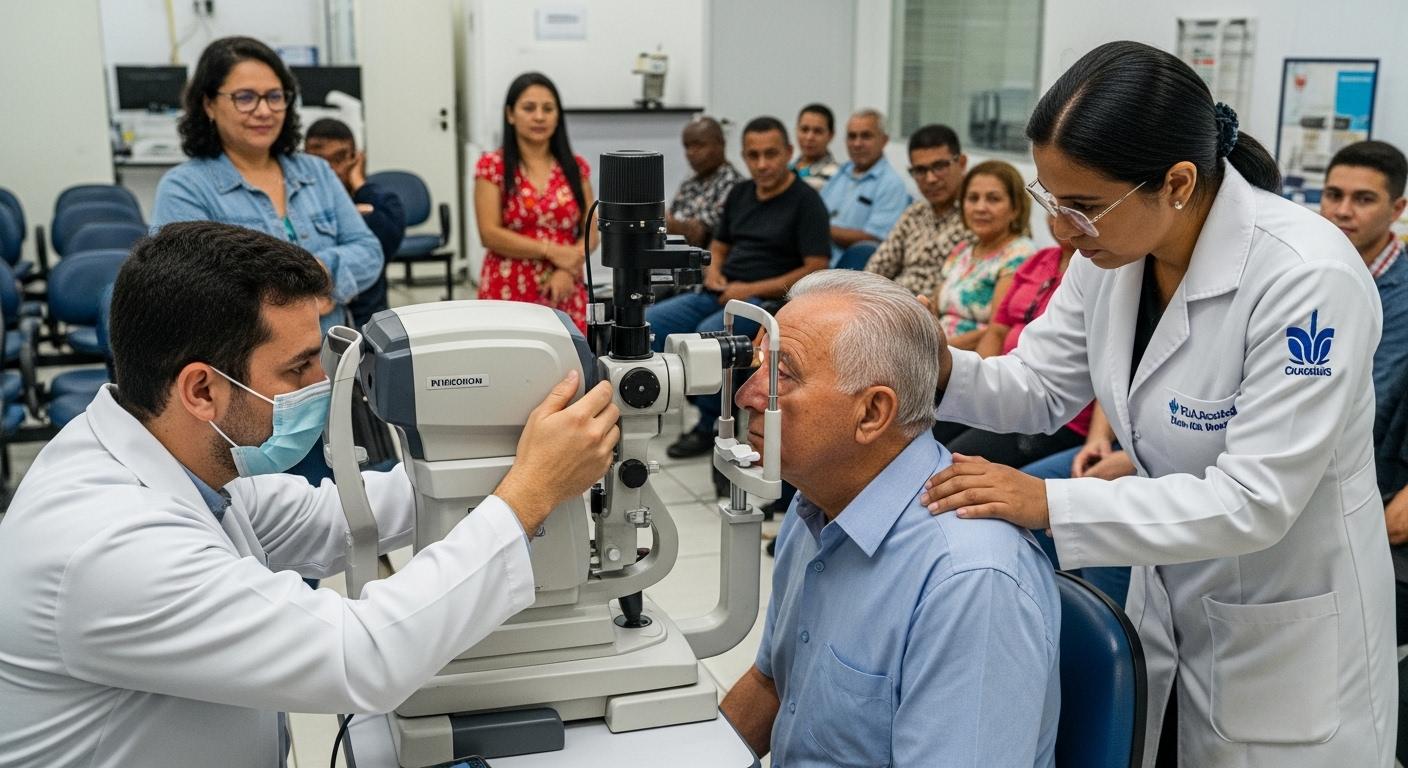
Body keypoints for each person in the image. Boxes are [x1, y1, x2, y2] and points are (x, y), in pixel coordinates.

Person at [922, 41, 1394, 767]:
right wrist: (909, 360)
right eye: (1051, 200)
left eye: (1081, 206)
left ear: (1177, 182)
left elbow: (1255, 502)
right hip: (1169, 607)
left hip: (1283, 629)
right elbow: (1038, 384)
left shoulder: (1307, 277)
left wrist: (1048, 502)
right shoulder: (1112, 257)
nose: (1060, 230)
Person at [0, 222, 620, 768]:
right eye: (297, 369)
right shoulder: (110, 546)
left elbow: (337, 516)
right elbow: (361, 656)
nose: (322, 384)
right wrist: (527, 495)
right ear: (201, 390)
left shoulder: (166, 455)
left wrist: (521, 457)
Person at [720, 270, 1060, 767]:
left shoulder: (970, 580)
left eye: (782, 374)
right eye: (756, 367)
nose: (748, 395)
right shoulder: (817, 500)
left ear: (873, 413)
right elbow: (770, 684)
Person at [152, 36, 382, 334]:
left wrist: (319, 272)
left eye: (274, 96)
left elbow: (369, 251)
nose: (264, 111)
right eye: (245, 98)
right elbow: (189, 294)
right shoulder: (185, 189)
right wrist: (303, 297)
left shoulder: (316, 172)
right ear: (208, 104)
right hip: (243, 373)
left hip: (332, 361)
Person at [648, 116, 829, 459]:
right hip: (721, 291)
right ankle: (657, 403)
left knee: (709, 338)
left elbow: (816, 267)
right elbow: (719, 245)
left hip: (768, 303)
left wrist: (749, 289)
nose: (762, 164)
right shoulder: (740, 193)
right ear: (743, 156)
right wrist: (713, 272)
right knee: (654, 322)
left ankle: (710, 425)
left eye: (771, 154)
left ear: (789, 152)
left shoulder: (806, 202)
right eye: (753, 155)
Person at [939, 215, 1088, 467]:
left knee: (953, 460)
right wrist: (983, 383)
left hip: (1062, 414)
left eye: (1077, 207)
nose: (1059, 221)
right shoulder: (1038, 261)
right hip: (1014, 385)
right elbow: (997, 329)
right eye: (1052, 207)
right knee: (929, 433)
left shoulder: (1096, 271)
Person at [474, 72, 597, 333]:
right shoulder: (492, 167)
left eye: (548, 109)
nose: (539, 117)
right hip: (507, 289)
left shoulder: (576, 168)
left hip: (565, 288)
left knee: (568, 370)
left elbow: (591, 231)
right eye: (529, 108)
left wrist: (569, 269)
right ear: (510, 114)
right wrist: (550, 251)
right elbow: (489, 233)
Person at [1320, 140, 1408, 426]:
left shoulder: (1402, 296)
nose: (1343, 211)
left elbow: (1373, 402)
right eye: (1334, 195)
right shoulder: (1310, 269)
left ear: (1397, 209)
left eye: (1363, 199)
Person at [303, 117, 406, 328]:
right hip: (319, 320)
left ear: (355, 158)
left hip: (368, 319)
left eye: (339, 158)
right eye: (320, 160)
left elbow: (387, 242)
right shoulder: (301, 203)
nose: (330, 169)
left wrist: (358, 182)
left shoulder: (379, 199)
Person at [930, 160, 1036, 350]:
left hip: (971, 359)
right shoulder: (962, 250)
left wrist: (937, 351)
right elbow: (934, 310)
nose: (980, 208)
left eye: (993, 199)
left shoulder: (1019, 254)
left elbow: (997, 331)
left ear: (1016, 208)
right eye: (972, 198)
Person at [865, 123, 971, 293]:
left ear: (962, 163)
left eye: (939, 167)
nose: (930, 179)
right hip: (898, 304)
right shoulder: (915, 213)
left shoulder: (979, 215)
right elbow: (875, 271)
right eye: (920, 170)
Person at [819, 109, 909, 265]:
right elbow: (816, 212)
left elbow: (874, 239)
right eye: (852, 136)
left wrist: (819, 228)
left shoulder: (891, 184)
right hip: (814, 260)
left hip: (852, 272)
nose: (857, 143)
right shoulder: (839, 173)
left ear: (884, 140)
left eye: (866, 136)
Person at [666, 117, 742, 248]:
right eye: (687, 146)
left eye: (698, 145)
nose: (690, 153)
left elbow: (706, 236)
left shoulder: (734, 185)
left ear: (720, 143)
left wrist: (670, 225)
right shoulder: (689, 183)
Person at [791, 103, 840, 191]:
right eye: (804, 129)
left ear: (831, 135)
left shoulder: (837, 176)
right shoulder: (785, 170)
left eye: (817, 131)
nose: (809, 137)